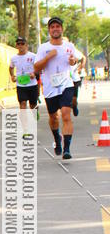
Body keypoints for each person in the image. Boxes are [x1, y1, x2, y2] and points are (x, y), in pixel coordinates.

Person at [34, 16, 78, 160]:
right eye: (52, 27)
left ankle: (67, 149)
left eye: (57, 26)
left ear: (62, 29)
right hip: (50, 87)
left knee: (66, 115)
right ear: (49, 30)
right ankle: (57, 140)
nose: (55, 29)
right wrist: (47, 58)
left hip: (66, 84)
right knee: (54, 118)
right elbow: (36, 67)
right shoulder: (44, 48)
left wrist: (73, 61)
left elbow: (74, 59)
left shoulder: (68, 46)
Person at [9, 37, 38, 113]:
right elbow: (11, 67)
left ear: (26, 45)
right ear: (16, 46)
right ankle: (24, 124)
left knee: (33, 106)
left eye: (22, 44)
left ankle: (34, 115)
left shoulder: (33, 56)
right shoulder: (14, 58)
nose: (20, 45)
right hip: (20, 85)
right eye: (18, 44)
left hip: (32, 84)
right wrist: (12, 76)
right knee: (23, 104)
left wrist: (34, 73)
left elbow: (39, 67)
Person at [68, 43, 86, 116]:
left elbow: (83, 58)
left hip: (74, 79)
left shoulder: (72, 50)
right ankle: (31, 125)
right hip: (62, 81)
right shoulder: (51, 49)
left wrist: (81, 67)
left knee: (74, 99)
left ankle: (74, 106)